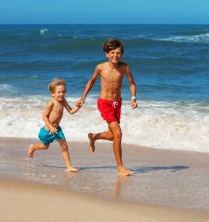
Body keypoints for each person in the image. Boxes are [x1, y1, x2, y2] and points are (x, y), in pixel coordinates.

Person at [77, 38, 137, 176]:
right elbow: (91, 81)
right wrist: (83, 98)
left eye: (118, 53)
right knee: (118, 134)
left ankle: (93, 136)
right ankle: (120, 167)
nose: (115, 55)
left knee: (112, 136)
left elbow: (132, 83)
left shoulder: (124, 67)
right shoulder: (100, 67)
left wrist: (133, 98)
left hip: (117, 104)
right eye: (112, 52)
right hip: (104, 103)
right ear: (107, 54)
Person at [28, 78, 81, 172]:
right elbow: (44, 116)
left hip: (57, 130)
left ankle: (68, 167)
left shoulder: (63, 101)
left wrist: (78, 106)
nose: (61, 94)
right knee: (45, 147)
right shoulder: (51, 103)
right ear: (53, 93)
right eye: (59, 92)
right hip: (47, 131)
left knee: (64, 145)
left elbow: (71, 111)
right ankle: (33, 147)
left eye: (63, 92)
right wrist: (51, 127)